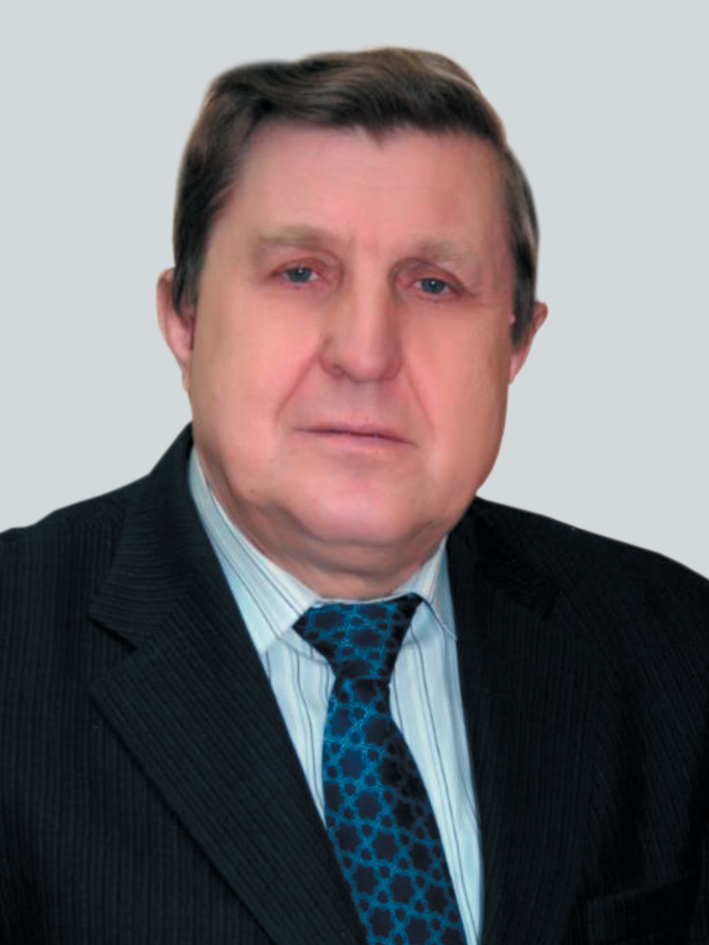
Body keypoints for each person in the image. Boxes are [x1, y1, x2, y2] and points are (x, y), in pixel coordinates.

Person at [1, 46, 707, 945]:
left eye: (433, 284)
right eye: (300, 272)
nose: (365, 352)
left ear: (516, 343)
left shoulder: (678, 652)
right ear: (184, 315)